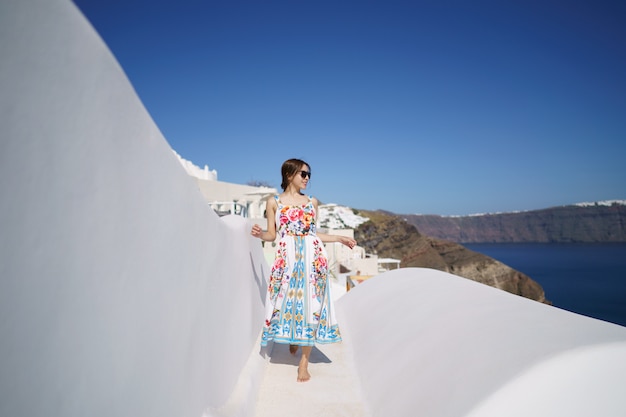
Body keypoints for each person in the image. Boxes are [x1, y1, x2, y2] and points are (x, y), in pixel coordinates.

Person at [251, 158, 356, 382]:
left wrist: (339, 238)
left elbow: (312, 234)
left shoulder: (312, 202)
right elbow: (272, 234)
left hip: (313, 258)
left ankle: (304, 363)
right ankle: (293, 338)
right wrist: (259, 234)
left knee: (312, 304)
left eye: (309, 174)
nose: (307, 178)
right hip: (286, 259)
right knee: (284, 300)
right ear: (289, 175)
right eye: (303, 174)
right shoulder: (274, 202)